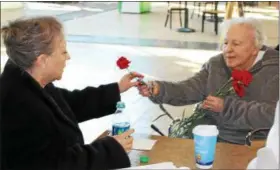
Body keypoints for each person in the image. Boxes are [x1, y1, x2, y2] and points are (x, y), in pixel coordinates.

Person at [0, 16, 143, 170]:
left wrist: (117, 88)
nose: (68, 57)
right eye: (63, 52)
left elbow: (71, 103)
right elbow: (54, 164)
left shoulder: (31, 82)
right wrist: (111, 149)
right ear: (42, 60)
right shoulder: (17, 106)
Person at [138, 17, 279, 145]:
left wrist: (226, 108)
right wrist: (160, 89)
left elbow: (272, 115)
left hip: (255, 145)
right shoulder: (217, 64)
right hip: (214, 139)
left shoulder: (274, 70)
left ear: (255, 48)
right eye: (225, 43)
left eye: (236, 44)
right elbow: (189, 89)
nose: (228, 49)